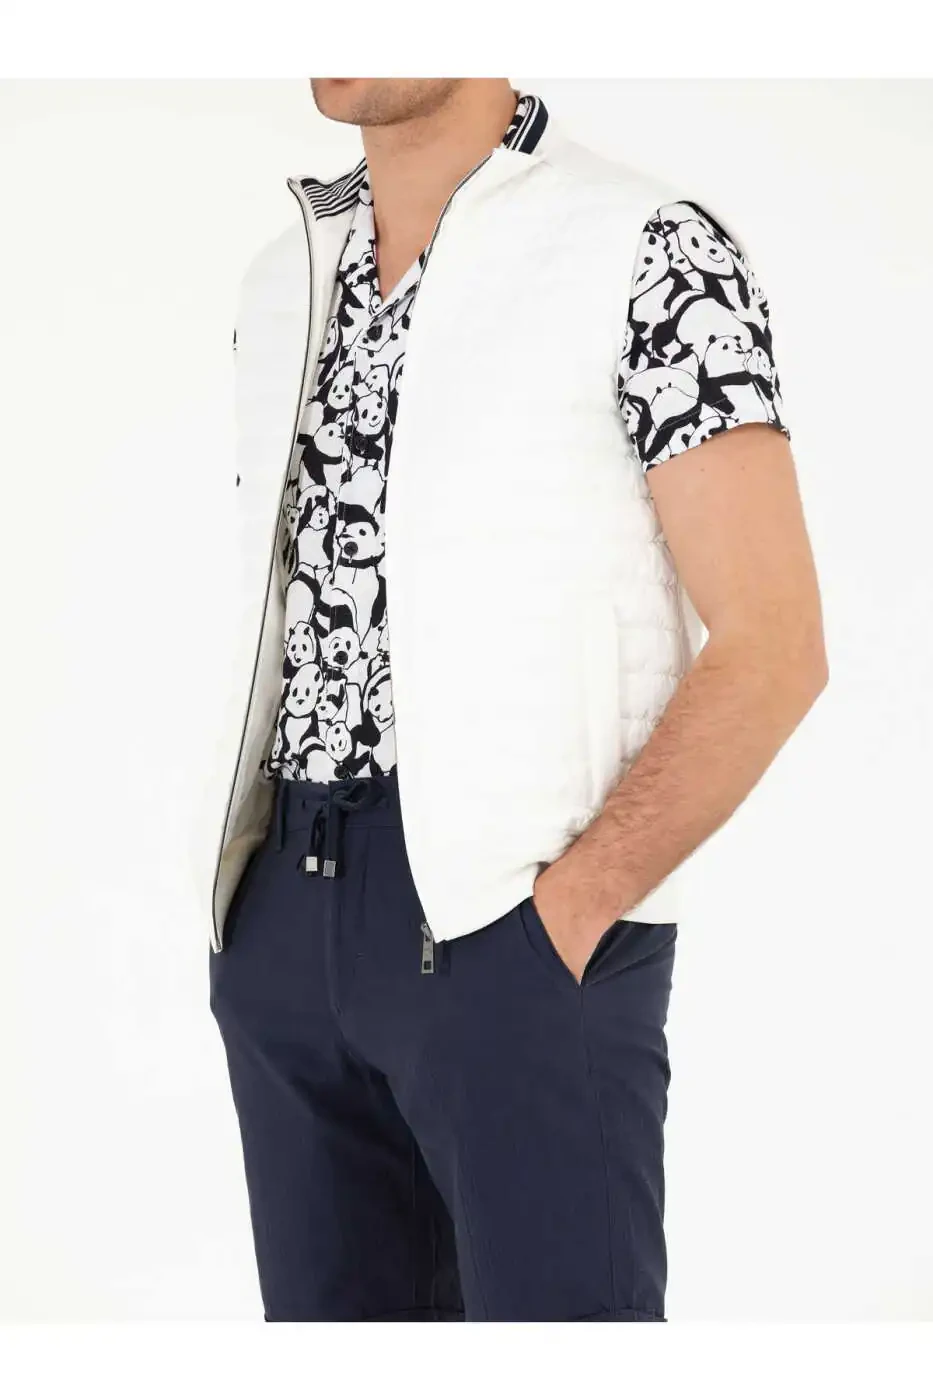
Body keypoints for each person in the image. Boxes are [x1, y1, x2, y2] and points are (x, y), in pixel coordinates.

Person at [208, 78, 827, 1323]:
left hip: (513, 930)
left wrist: (566, 917)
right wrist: (247, 927)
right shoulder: (288, 275)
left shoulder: (649, 248)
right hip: (282, 917)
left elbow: (776, 644)